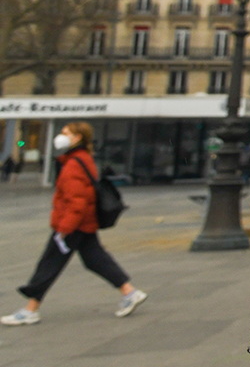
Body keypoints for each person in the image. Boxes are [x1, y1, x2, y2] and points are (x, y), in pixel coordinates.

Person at [2, 123, 145, 325]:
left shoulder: (73, 164)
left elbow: (77, 201)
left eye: (65, 133)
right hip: (84, 223)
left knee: (49, 265)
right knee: (95, 260)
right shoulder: (82, 158)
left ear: (77, 138)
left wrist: (64, 230)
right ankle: (129, 292)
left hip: (72, 225)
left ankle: (30, 310)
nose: (61, 136)